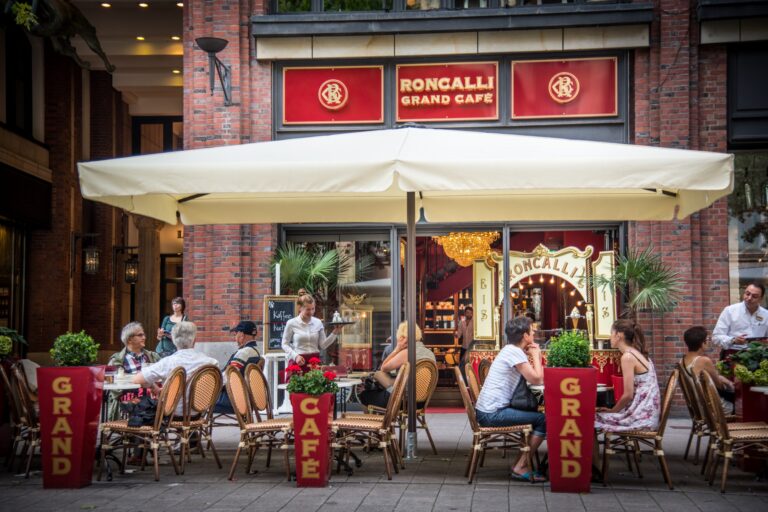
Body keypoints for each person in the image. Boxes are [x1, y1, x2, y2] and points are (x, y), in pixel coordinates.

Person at [474, 316, 546, 482]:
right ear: (525, 335)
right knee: (543, 419)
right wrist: (536, 355)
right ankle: (520, 466)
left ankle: (522, 463)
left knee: (538, 416)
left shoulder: (511, 350)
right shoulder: (514, 352)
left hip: (488, 410)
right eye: (532, 330)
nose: (534, 332)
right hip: (492, 414)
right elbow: (537, 379)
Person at [133, 320, 218, 417]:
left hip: (170, 414)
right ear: (194, 340)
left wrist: (153, 387)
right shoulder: (211, 363)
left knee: (136, 405)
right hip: (198, 414)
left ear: (173, 340)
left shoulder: (168, 362)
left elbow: (137, 379)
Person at [595, 319, 660, 432]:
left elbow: (628, 395)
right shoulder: (636, 353)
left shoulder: (628, 357)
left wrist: (612, 411)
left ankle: (592, 450)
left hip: (642, 418)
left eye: (611, 333)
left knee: (592, 418)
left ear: (618, 335)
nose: (609, 337)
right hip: (647, 414)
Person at [358, 321, 436, 409]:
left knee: (365, 395)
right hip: (420, 402)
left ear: (403, 337)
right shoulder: (429, 353)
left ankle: (377, 422)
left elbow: (384, 367)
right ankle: (384, 419)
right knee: (381, 388)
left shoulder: (407, 352)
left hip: (402, 401)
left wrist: (397, 348)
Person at [106, 322, 161, 420]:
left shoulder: (153, 357)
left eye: (143, 334)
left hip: (152, 404)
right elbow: (113, 387)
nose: (144, 337)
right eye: (140, 335)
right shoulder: (116, 360)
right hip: (128, 405)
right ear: (129, 339)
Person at [281, 291, 340, 372]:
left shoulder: (318, 322)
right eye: (308, 309)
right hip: (299, 360)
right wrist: (295, 356)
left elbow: (323, 345)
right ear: (300, 308)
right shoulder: (291, 323)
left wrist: (336, 331)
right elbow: (284, 344)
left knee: (315, 384)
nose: (311, 312)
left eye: (313, 309)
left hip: (314, 361)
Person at [681, 325, 735, 413]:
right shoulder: (703, 360)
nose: (709, 342)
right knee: (741, 408)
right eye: (708, 340)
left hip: (697, 407)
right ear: (702, 343)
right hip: (712, 407)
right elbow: (719, 386)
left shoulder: (682, 361)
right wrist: (728, 382)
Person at [214, 320, 262, 414]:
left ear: (242, 335)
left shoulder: (243, 353)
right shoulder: (256, 351)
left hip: (232, 400)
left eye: (235, 334)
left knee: (199, 399)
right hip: (245, 398)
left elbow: (229, 376)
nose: (235, 338)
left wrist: (212, 384)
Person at [712, 282, 768, 350]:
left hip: (758, 355)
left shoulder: (766, 315)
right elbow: (716, 337)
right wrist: (733, 340)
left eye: (754, 296)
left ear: (761, 299)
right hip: (733, 354)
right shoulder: (730, 311)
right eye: (747, 294)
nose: (749, 298)